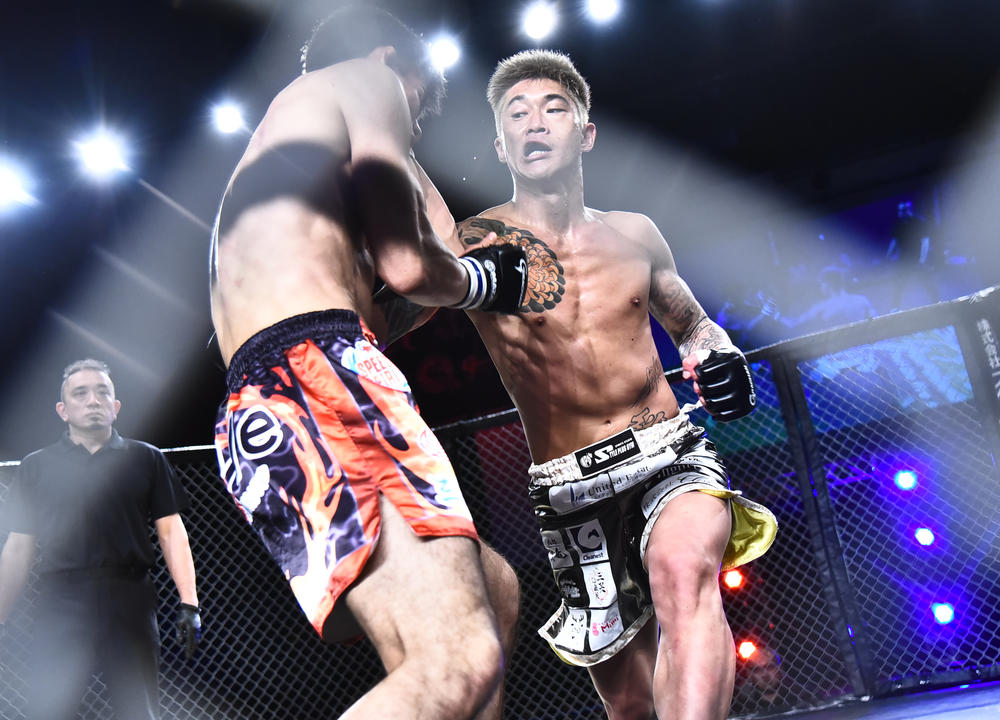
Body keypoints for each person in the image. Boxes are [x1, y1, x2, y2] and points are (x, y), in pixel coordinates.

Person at [209, 6, 526, 720]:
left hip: (267, 403)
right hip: (316, 370)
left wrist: (465, 269)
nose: (411, 127)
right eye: (418, 103)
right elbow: (414, 265)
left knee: (495, 590)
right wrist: (487, 281)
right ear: (391, 59)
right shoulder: (366, 78)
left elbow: (425, 276)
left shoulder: (295, 168)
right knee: (457, 660)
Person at [452, 50, 778, 720]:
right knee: (631, 704)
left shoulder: (635, 233)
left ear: (587, 133)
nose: (535, 122)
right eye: (517, 113)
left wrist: (716, 352)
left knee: (684, 574)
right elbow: (396, 299)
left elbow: (693, 326)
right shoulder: (473, 246)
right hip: (570, 487)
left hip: (667, 453)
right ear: (501, 145)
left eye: (553, 109)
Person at [0, 358, 201, 720]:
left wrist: (190, 603)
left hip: (129, 597)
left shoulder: (146, 458)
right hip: (60, 601)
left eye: (102, 392)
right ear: (62, 410)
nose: (93, 400)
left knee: (139, 711)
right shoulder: (36, 466)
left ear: (116, 406)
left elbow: (171, 533)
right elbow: (17, 548)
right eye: (80, 393)